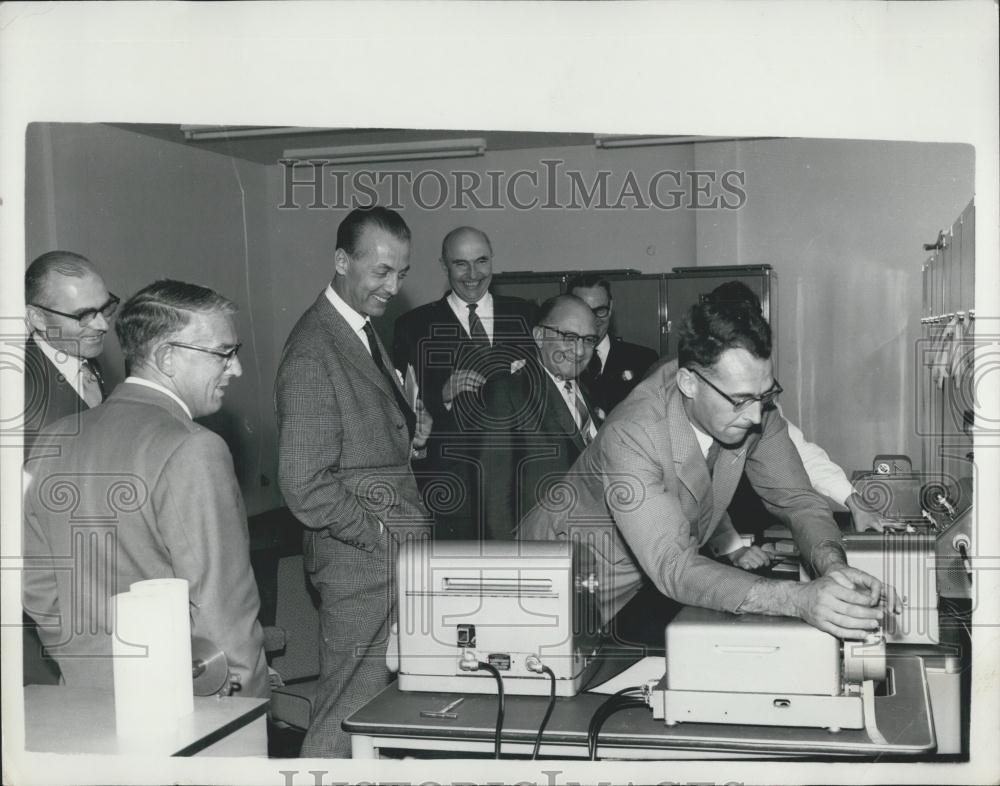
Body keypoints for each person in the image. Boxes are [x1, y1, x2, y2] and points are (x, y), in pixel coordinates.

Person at [519, 296, 898, 640]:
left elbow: (798, 500)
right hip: (544, 588)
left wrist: (831, 565)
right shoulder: (633, 433)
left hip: (632, 589)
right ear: (688, 383)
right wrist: (799, 599)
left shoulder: (750, 404)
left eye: (764, 395)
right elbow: (674, 566)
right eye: (740, 400)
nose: (755, 416)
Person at [22, 280, 269, 697]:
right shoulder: (195, 447)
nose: (236, 369)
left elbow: (36, 582)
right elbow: (223, 612)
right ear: (167, 357)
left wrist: (85, 664)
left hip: (82, 701)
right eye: (224, 354)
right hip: (179, 706)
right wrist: (248, 711)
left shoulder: (53, 439)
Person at [276, 206, 433, 758]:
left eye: (402, 273)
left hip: (383, 557)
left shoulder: (359, 329)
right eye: (382, 271)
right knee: (345, 717)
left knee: (378, 716)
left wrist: (407, 430)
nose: (393, 286)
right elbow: (303, 482)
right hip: (361, 562)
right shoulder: (313, 348)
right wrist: (380, 539)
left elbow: (357, 436)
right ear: (342, 261)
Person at [391, 226, 535, 538]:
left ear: (492, 260)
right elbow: (399, 412)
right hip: (451, 493)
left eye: (481, 261)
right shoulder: (413, 326)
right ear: (443, 265)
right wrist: (440, 396)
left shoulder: (527, 315)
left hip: (519, 486)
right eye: (460, 264)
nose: (473, 274)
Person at [473, 295, 600, 540]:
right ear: (539, 336)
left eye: (588, 340)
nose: (580, 350)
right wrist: (509, 564)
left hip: (593, 546)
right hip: (539, 550)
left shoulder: (593, 393)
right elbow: (494, 496)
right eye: (569, 337)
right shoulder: (509, 392)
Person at [23, 251, 117, 456]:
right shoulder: (18, 391)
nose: (103, 325)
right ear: (38, 318)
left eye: (106, 308)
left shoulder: (82, 354)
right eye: (84, 315)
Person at [568, 273, 658, 417]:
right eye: (584, 311)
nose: (593, 319)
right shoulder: (560, 362)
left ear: (610, 308)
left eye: (600, 311)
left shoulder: (644, 361)